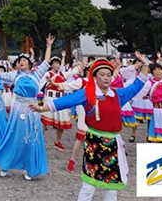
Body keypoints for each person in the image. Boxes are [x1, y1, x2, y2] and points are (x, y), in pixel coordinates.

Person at [33, 54, 151, 201]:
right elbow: (65, 101)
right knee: (89, 185)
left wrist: (145, 64)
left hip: (113, 144)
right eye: (102, 75)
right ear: (94, 77)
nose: (106, 78)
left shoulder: (117, 95)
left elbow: (137, 85)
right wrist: (42, 108)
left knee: (111, 185)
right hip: (95, 143)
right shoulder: (88, 94)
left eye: (109, 75)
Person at [0, 35, 56, 181]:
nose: (21, 62)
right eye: (20, 61)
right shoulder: (14, 76)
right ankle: (6, 164)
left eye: (24, 60)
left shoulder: (36, 75)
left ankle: (29, 167)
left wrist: (48, 46)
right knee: (15, 136)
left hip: (32, 109)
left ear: (30, 64)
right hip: (18, 110)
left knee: (32, 138)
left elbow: (46, 61)